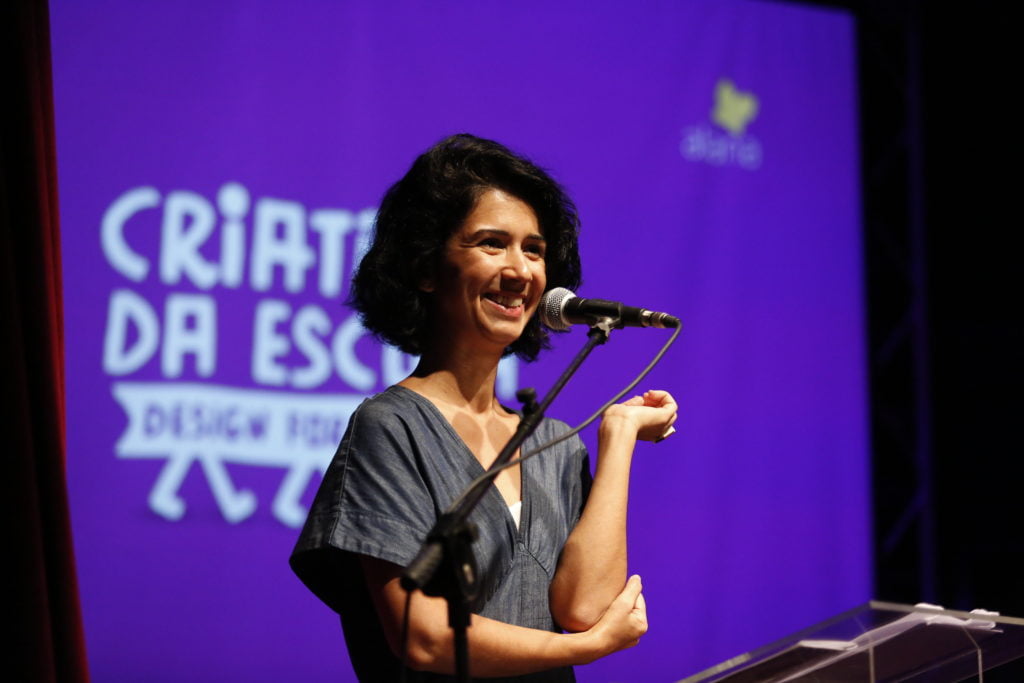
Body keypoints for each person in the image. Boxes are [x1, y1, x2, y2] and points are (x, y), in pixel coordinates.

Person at [290, 134, 677, 681]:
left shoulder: (556, 442)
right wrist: (581, 651)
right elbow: (421, 637)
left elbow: (584, 610)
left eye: (534, 249)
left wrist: (617, 438)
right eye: (492, 244)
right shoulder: (391, 427)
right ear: (426, 268)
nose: (521, 271)